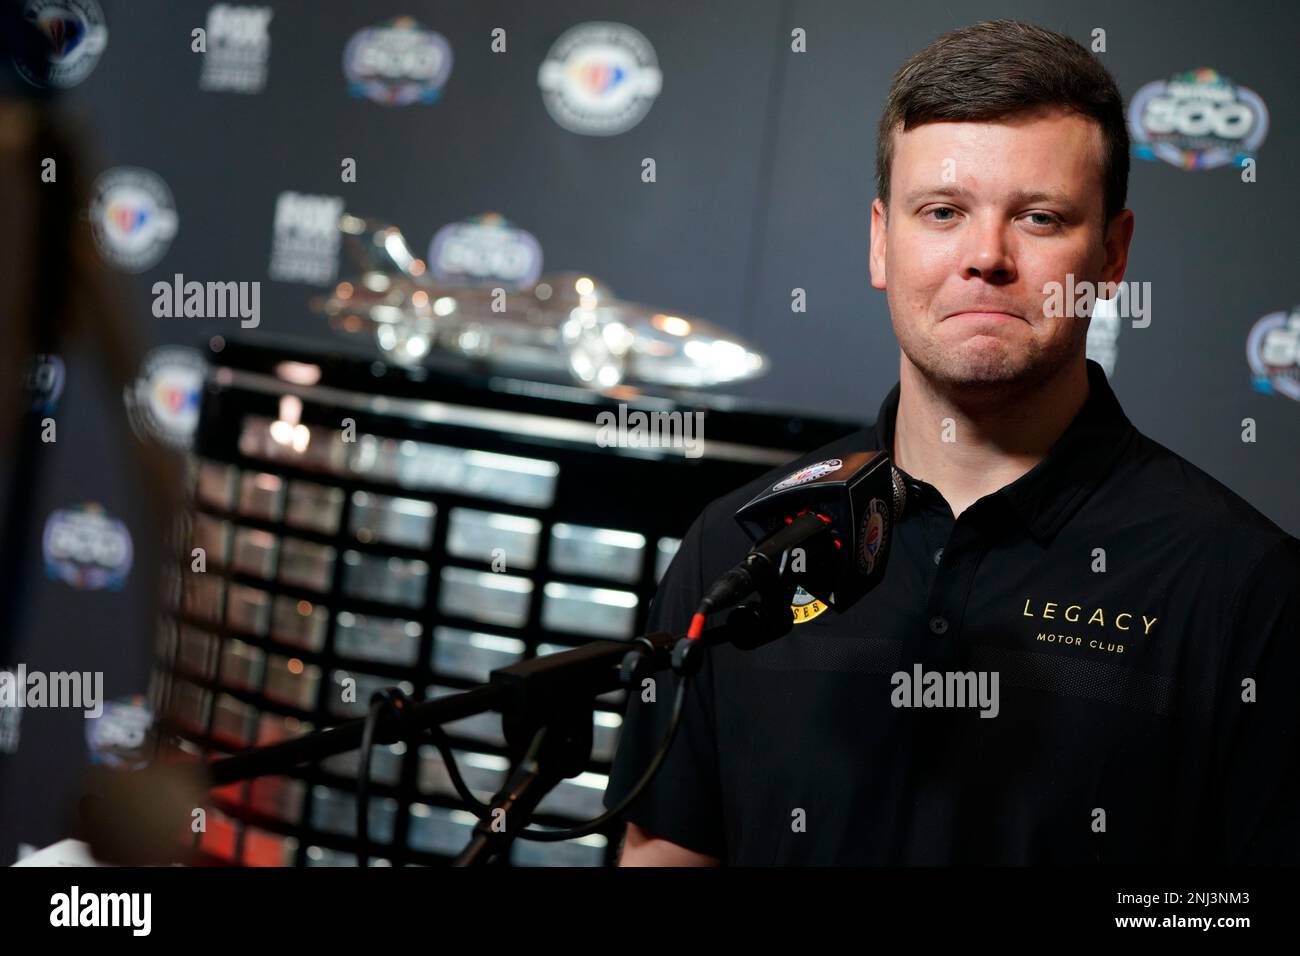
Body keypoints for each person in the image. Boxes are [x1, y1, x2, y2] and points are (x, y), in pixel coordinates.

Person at [603, 18, 1300, 866]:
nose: (986, 257)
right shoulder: (739, 546)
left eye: (1039, 218)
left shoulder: (1247, 588)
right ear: (880, 240)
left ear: (1112, 256)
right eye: (942, 211)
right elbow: (667, 853)